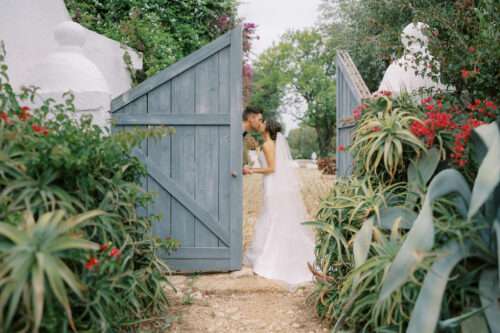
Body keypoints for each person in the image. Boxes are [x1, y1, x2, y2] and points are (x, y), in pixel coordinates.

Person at [243, 119, 315, 288]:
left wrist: (251, 170)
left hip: (272, 184)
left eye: (263, 123)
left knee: (273, 217)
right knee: (271, 217)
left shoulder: (269, 145)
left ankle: (270, 258)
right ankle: (268, 254)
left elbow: (272, 168)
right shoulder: (267, 144)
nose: (260, 124)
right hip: (270, 183)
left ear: (268, 128)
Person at [241, 106, 264, 174]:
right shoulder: (235, 132)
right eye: (259, 120)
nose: (261, 123)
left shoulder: (244, 135)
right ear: (251, 118)